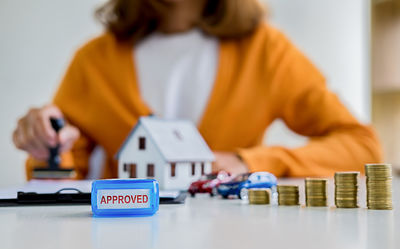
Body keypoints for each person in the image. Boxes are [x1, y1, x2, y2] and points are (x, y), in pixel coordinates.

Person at [13, 0, 382, 180]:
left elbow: (362, 147)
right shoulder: (93, 61)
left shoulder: (266, 51)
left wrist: (251, 163)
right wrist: (48, 147)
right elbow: (54, 180)